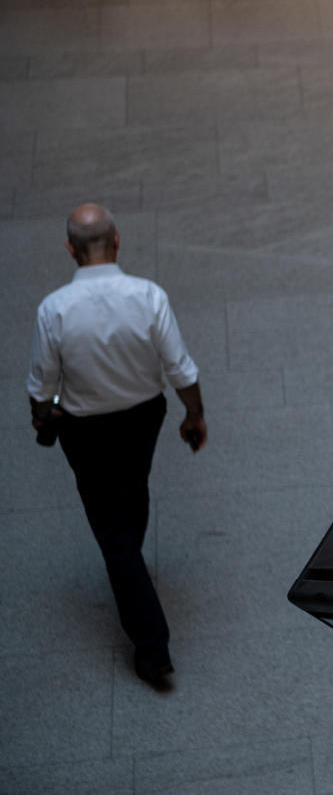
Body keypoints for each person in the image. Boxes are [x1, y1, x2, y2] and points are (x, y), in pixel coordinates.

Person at [26, 203, 207, 691]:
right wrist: (194, 413)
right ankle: (130, 558)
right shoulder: (149, 296)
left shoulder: (54, 309)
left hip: (86, 433)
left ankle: (153, 648)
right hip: (143, 420)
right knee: (134, 489)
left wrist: (42, 419)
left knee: (111, 531)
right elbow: (181, 370)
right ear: (118, 240)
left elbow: (41, 388)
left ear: (70, 250)